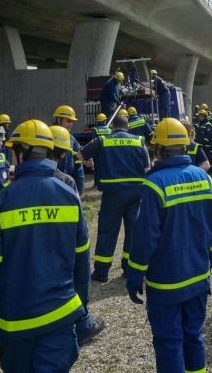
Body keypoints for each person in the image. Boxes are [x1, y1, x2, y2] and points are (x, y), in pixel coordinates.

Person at [0, 120, 94, 372]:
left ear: (21, 153)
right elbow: (82, 259)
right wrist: (80, 306)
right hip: (61, 316)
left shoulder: (2, 201)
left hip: (17, 323)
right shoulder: (69, 196)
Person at [126, 118, 212, 373]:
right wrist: (208, 259)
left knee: (169, 342)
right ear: (185, 146)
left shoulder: (154, 185)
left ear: (158, 150)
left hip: (165, 283)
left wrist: (134, 275)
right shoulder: (204, 178)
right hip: (198, 276)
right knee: (194, 335)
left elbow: (144, 239)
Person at [48, 125, 106, 346]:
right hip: (65, 249)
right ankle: (81, 324)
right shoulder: (66, 183)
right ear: (63, 153)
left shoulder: (13, 189)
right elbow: (80, 242)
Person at [79, 114, 150, 282]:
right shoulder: (139, 141)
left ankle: (101, 272)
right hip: (136, 193)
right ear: (128, 128)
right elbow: (147, 168)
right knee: (133, 232)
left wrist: (90, 163)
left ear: (112, 127)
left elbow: (80, 154)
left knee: (107, 232)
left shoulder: (102, 141)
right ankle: (129, 269)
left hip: (112, 194)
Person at [51, 104, 85, 195]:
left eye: (72, 122)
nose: (71, 124)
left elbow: (78, 163)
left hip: (68, 184)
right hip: (52, 183)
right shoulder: (48, 136)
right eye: (68, 121)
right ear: (59, 120)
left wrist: (80, 186)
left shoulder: (72, 140)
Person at [194, 109, 212, 174]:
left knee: (208, 158)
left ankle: (211, 170)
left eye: (202, 116)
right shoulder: (199, 124)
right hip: (200, 144)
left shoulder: (208, 124)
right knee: (201, 158)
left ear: (205, 116)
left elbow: (208, 135)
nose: (200, 117)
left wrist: (204, 142)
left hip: (207, 145)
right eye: (199, 116)